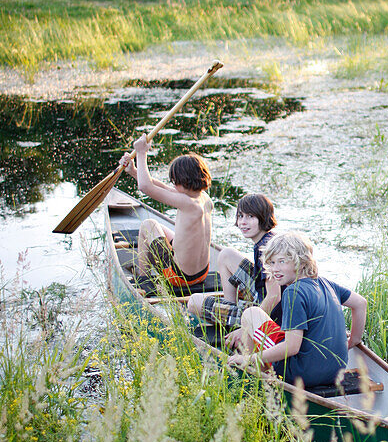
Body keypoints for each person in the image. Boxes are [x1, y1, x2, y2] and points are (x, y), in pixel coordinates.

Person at [227, 230, 367, 389]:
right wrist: (354, 340)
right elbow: (360, 303)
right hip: (335, 373)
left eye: (282, 262)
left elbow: (292, 347)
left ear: (301, 261)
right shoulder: (326, 283)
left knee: (251, 314)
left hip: (300, 375)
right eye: (271, 263)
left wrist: (249, 358)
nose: (275, 269)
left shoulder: (293, 292)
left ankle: (259, 380)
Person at [120, 135, 213, 292]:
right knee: (161, 229)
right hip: (202, 274)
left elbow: (145, 187)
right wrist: (134, 171)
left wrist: (141, 152)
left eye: (175, 181)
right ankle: (147, 273)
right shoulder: (203, 198)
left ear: (183, 181)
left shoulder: (187, 203)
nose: (173, 185)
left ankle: (144, 280)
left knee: (148, 225)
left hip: (179, 277)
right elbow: (162, 187)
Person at [187, 193, 279, 328]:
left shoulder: (266, 250)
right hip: (261, 296)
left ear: (264, 217)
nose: (243, 222)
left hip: (268, 316)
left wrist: (249, 325)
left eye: (250, 216)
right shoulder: (269, 240)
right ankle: (229, 307)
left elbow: (275, 296)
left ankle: (234, 322)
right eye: (240, 216)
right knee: (226, 254)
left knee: (194, 301)